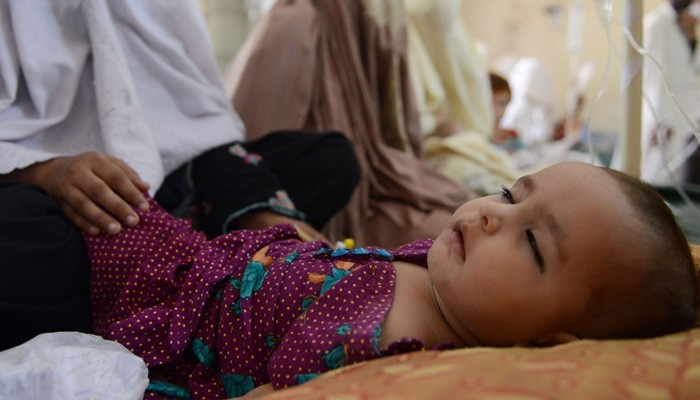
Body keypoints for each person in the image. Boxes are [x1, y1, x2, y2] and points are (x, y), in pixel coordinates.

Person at [83, 162, 697, 399]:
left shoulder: (385, 346)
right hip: (211, 255)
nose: (491, 215)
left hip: (171, 310)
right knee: (295, 157)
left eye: (532, 242)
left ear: (552, 341)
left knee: (86, 214)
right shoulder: (451, 276)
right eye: (511, 194)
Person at [0, 1, 359, 351]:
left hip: (177, 176)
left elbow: (195, 119)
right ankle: (205, 271)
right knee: (27, 238)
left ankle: (194, 266)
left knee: (329, 159)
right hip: (47, 191)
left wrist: (252, 198)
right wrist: (46, 172)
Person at [642, 0, 700, 184]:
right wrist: (658, 121)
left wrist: (692, 39)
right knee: (654, 179)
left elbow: (692, 71)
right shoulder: (656, 23)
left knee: (677, 182)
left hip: (687, 120)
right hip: (664, 122)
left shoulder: (689, 23)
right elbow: (653, 77)